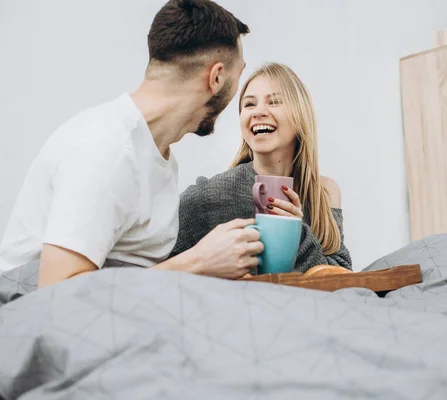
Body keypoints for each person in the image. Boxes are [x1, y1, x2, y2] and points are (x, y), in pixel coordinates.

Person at [0, 0, 265, 287]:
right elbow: (56, 294)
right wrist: (198, 263)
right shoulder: (107, 150)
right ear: (216, 77)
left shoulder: (154, 155)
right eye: (240, 73)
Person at [170, 62, 353, 272]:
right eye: (249, 104)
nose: (258, 112)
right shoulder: (212, 195)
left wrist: (296, 234)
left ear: (301, 115)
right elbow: (159, 266)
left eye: (274, 102)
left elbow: (342, 278)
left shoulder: (325, 191)